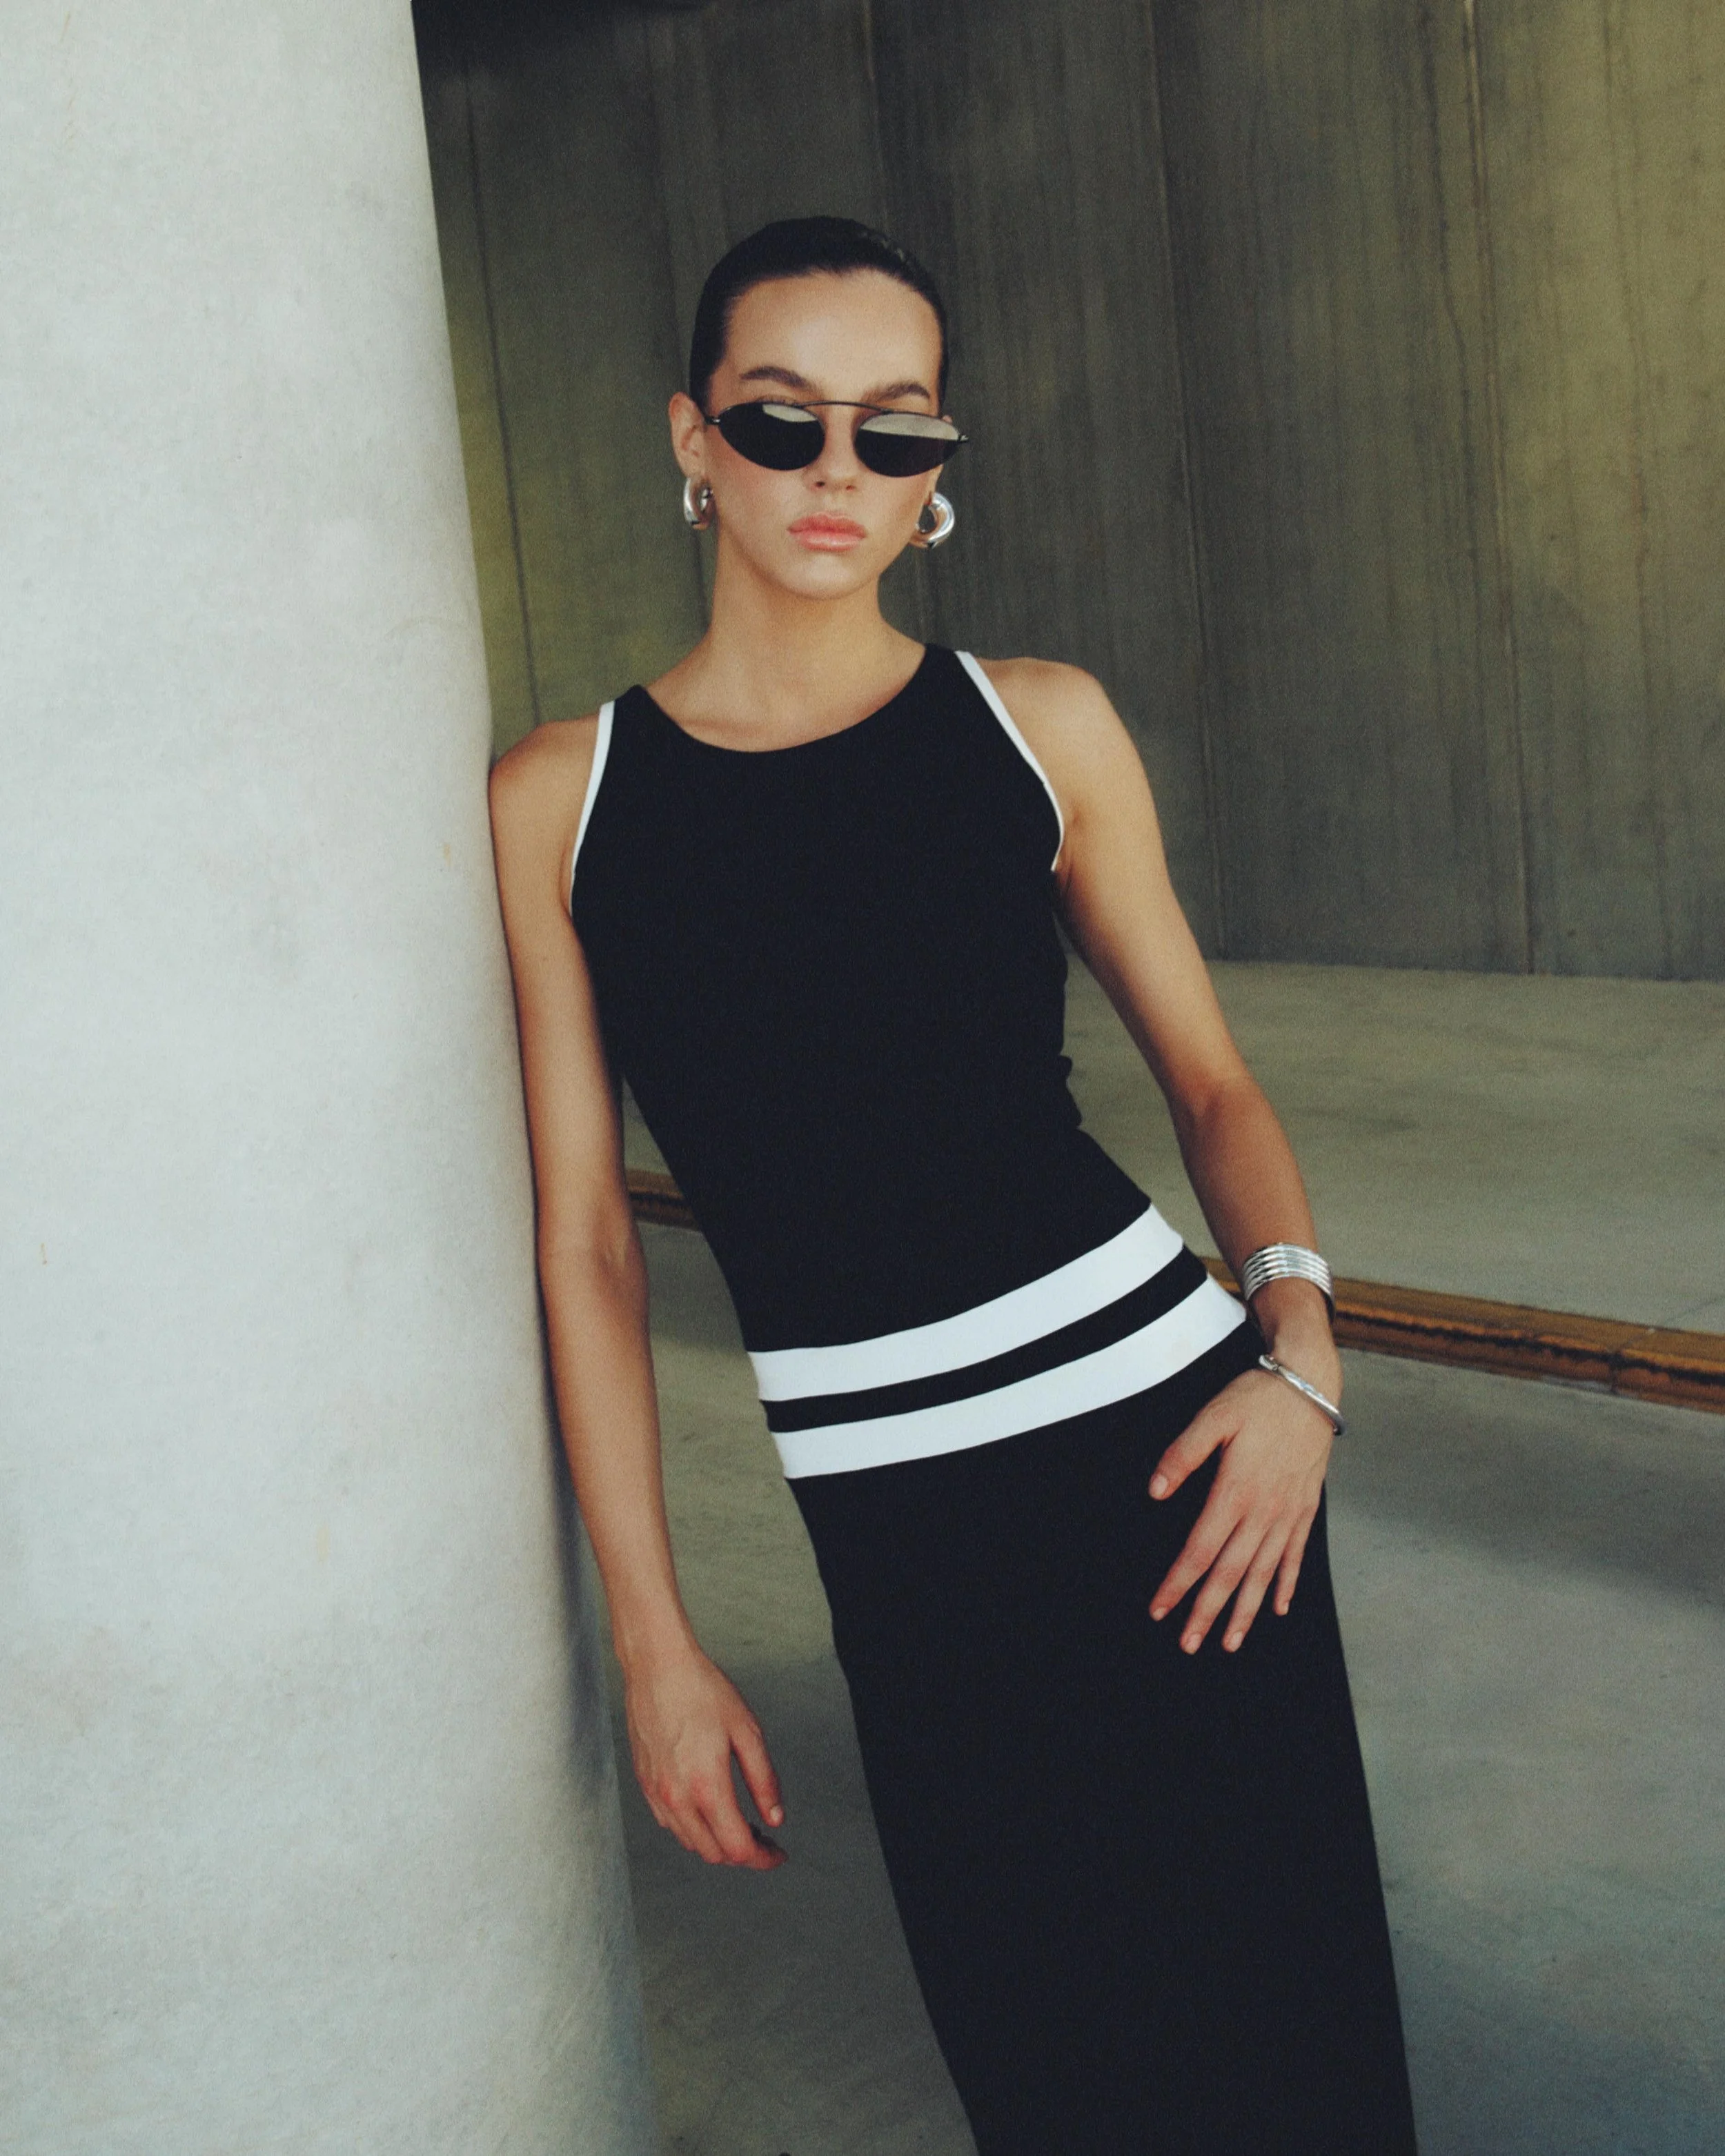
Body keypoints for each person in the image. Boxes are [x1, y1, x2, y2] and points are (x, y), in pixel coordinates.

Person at [488, 215, 1418, 2154]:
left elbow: (1214, 1083)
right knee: (1044, 2045)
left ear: (935, 470)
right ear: (692, 436)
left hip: (1186, 1463)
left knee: (1290, 2033)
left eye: (894, 428)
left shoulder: (1036, 721)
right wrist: (655, 1641)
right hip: (900, 1515)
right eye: (782, 417)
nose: (838, 469)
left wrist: (1301, 1353)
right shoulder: (563, 798)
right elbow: (582, 1242)